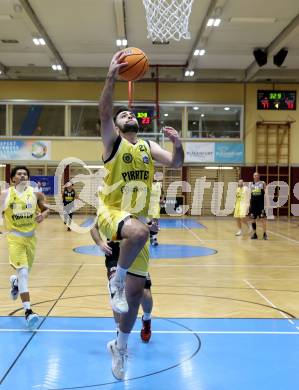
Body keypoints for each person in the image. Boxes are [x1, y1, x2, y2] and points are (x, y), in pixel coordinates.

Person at [98, 50, 184, 380]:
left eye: (130, 113)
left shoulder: (147, 147)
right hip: (113, 213)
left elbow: (176, 164)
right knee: (139, 232)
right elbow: (104, 111)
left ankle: (119, 347)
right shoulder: (113, 143)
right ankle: (115, 282)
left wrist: (177, 144)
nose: (127, 115)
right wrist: (111, 77)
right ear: (117, 126)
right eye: (123, 115)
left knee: (134, 302)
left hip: (137, 222)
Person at [0, 165, 49, 328]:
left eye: (25, 174)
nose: (22, 176)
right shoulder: (6, 195)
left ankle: (14, 283)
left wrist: (43, 214)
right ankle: (28, 312)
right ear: (13, 178)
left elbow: (46, 209)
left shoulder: (35, 194)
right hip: (15, 238)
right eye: (19, 174)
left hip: (31, 239)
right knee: (24, 274)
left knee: (23, 275)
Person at [90, 224, 153, 342]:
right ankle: (120, 334)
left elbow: (147, 226)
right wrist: (100, 243)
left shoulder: (137, 207)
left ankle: (147, 320)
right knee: (117, 291)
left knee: (145, 293)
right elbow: (94, 227)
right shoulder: (108, 208)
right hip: (114, 252)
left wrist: (151, 228)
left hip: (135, 250)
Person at [249, 172, 268, 240]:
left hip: (260, 204)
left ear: (259, 176)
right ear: (253, 176)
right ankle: (254, 234)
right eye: (254, 175)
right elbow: (251, 194)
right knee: (253, 219)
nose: (256, 176)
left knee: (263, 219)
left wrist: (267, 202)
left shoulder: (262, 183)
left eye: (257, 175)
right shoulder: (251, 184)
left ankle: (265, 234)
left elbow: (266, 193)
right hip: (253, 204)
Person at [148, 172, 164, 246]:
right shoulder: (147, 184)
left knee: (155, 221)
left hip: (156, 205)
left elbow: (163, 194)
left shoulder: (159, 184)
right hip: (148, 205)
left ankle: (154, 238)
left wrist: (162, 199)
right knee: (149, 222)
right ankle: (150, 236)